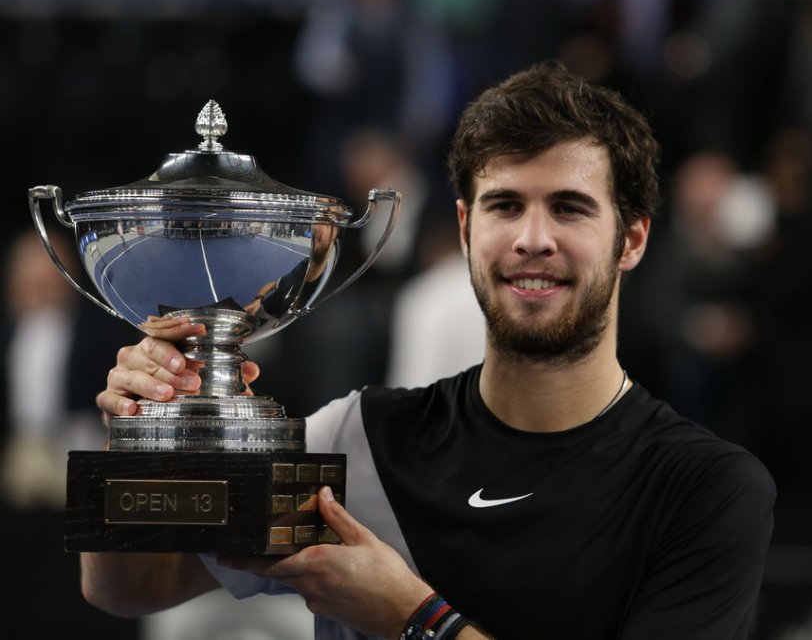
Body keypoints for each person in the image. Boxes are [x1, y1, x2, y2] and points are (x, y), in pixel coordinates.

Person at [87, 62, 776, 639]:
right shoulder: (359, 439)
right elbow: (128, 585)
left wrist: (412, 616)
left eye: (570, 207)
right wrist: (146, 431)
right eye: (506, 206)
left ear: (631, 239)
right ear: (465, 227)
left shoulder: (705, 488)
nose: (533, 238)